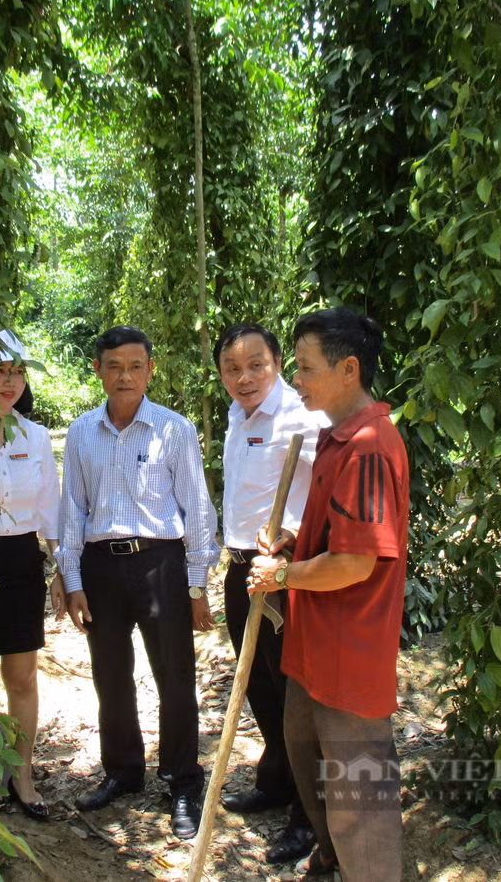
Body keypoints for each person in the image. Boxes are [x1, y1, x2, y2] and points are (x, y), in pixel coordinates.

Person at [247, 307, 408, 881]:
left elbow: (356, 562)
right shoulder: (335, 439)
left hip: (348, 655)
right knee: (309, 759)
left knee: (360, 792)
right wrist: (295, 540)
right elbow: (338, 537)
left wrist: (283, 577)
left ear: (349, 369)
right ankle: (332, 856)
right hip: (313, 648)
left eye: (306, 368)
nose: (297, 380)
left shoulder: (368, 446)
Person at [58, 325, 219, 840]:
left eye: (134, 366)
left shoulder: (174, 429)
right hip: (101, 566)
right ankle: (123, 771)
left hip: (161, 565)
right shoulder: (83, 432)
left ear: (151, 370)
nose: (124, 376)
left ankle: (181, 781)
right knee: (110, 674)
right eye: (113, 366)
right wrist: (72, 577)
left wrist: (197, 584)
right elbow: (72, 510)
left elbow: (196, 509)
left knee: (174, 676)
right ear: (98, 370)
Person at [213, 322, 327, 865]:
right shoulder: (237, 417)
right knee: (256, 681)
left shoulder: (301, 417)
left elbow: (325, 493)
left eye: (256, 364)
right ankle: (277, 781)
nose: (245, 377)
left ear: (277, 363)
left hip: (281, 572)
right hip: (239, 567)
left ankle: (308, 816)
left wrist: (292, 542)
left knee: (291, 694)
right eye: (232, 368)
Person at [0, 330, 64, 821]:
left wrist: (62, 570)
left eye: (18, 372)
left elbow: (49, 512)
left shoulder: (36, 436)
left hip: (22, 562)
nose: (10, 382)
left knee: (21, 675)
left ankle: (21, 775)